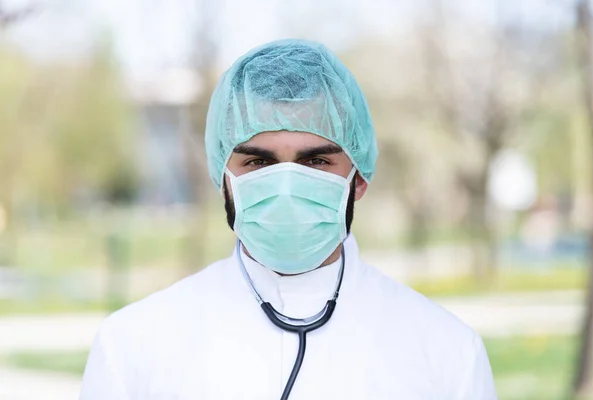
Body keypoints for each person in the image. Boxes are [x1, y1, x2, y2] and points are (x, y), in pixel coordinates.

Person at [79, 39, 497, 400]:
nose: (285, 187)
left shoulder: (447, 354)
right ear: (221, 178)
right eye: (258, 162)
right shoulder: (132, 347)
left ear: (360, 179)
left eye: (315, 161)